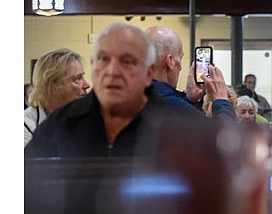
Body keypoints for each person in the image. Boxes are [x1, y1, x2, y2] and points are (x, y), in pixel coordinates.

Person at [25, 23, 172, 157]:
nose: (112, 71)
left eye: (127, 61)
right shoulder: (57, 125)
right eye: (104, 59)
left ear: (149, 72)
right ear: (93, 65)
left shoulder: (173, 128)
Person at [145, 26, 236, 121]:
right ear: (170, 61)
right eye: (180, 58)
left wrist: (188, 99)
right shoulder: (168, 102)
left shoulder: (138, 96)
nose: (180, 68)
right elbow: (224, 133)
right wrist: (221, 100)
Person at [24, 48, 91, 147]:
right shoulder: (25, 127)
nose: (87, 85)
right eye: (77, 78)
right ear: (52, 86)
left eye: (83, 77)